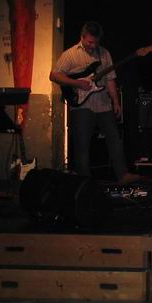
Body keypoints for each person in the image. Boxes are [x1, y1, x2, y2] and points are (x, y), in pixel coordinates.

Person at [50, 21, 140, 184]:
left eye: (96, 42)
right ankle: (85, 183)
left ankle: (123, 175)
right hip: (82, 105)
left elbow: (110, 79)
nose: (93, 46)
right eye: (90, 42)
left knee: (114, 140)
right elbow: (54, 75)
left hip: (104, 104)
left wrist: (116, 102)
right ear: (82, 37)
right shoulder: (70, 54)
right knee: (82, 146)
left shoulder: (104, 54)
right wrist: (77, 83)